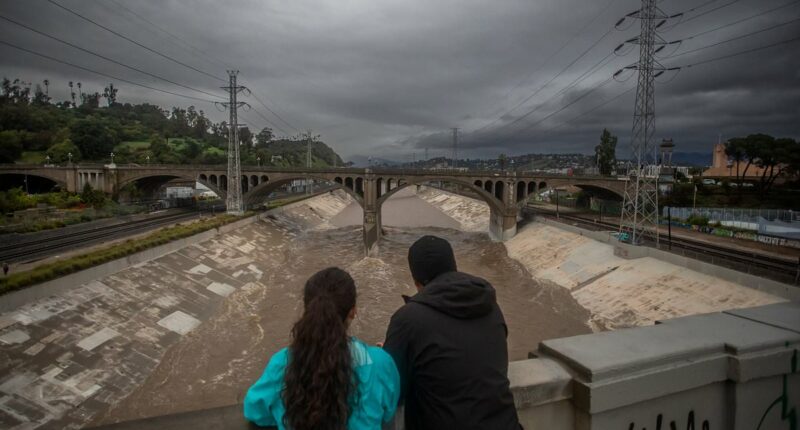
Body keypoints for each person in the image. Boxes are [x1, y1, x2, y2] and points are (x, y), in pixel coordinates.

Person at [383, 235, 521, 430]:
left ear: (416, 280)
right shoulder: (490, 303)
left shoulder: (407, 319)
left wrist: (385, 356)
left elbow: (392, 389)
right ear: (453, 265)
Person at [243, 267, 400, 430]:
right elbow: (388, 412)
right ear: (353, 312)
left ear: (307, 311)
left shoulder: (283, 363)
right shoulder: (381, 363)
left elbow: (255, 412)